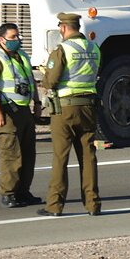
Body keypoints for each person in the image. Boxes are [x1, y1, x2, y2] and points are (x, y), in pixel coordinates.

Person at [37, 12, 102, 217]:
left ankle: (55, 205)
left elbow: (52, 80)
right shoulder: (94, 48)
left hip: (65, 109)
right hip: (89, 107)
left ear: (63, 28)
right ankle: (93, 204)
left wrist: (45, 75)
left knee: (60, 157)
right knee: (88, 157)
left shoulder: (62, 49)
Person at [0, 23, 42, 208]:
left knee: (28, 153)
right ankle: (8, 193)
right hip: (8, 112)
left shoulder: (22, 56)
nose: (17, 40)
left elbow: (31, 80)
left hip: (24, 110)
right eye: (13, 37)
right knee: (11, 154)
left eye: (18, 37)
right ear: (2, 40)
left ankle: (23, 191)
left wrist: (37, 102)